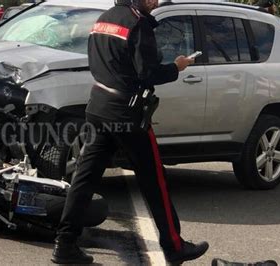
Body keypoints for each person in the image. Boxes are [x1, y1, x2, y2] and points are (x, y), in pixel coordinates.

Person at [51, 0, 209, 264]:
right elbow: (147, 73)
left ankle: (64, 244)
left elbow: (96, 62)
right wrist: (176, 67)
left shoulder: (103, 19)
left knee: (84, 179)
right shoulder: (138, 23)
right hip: (126, 114)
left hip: (99, 107)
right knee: (155, 181)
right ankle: (174, 246)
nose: (156, 2)